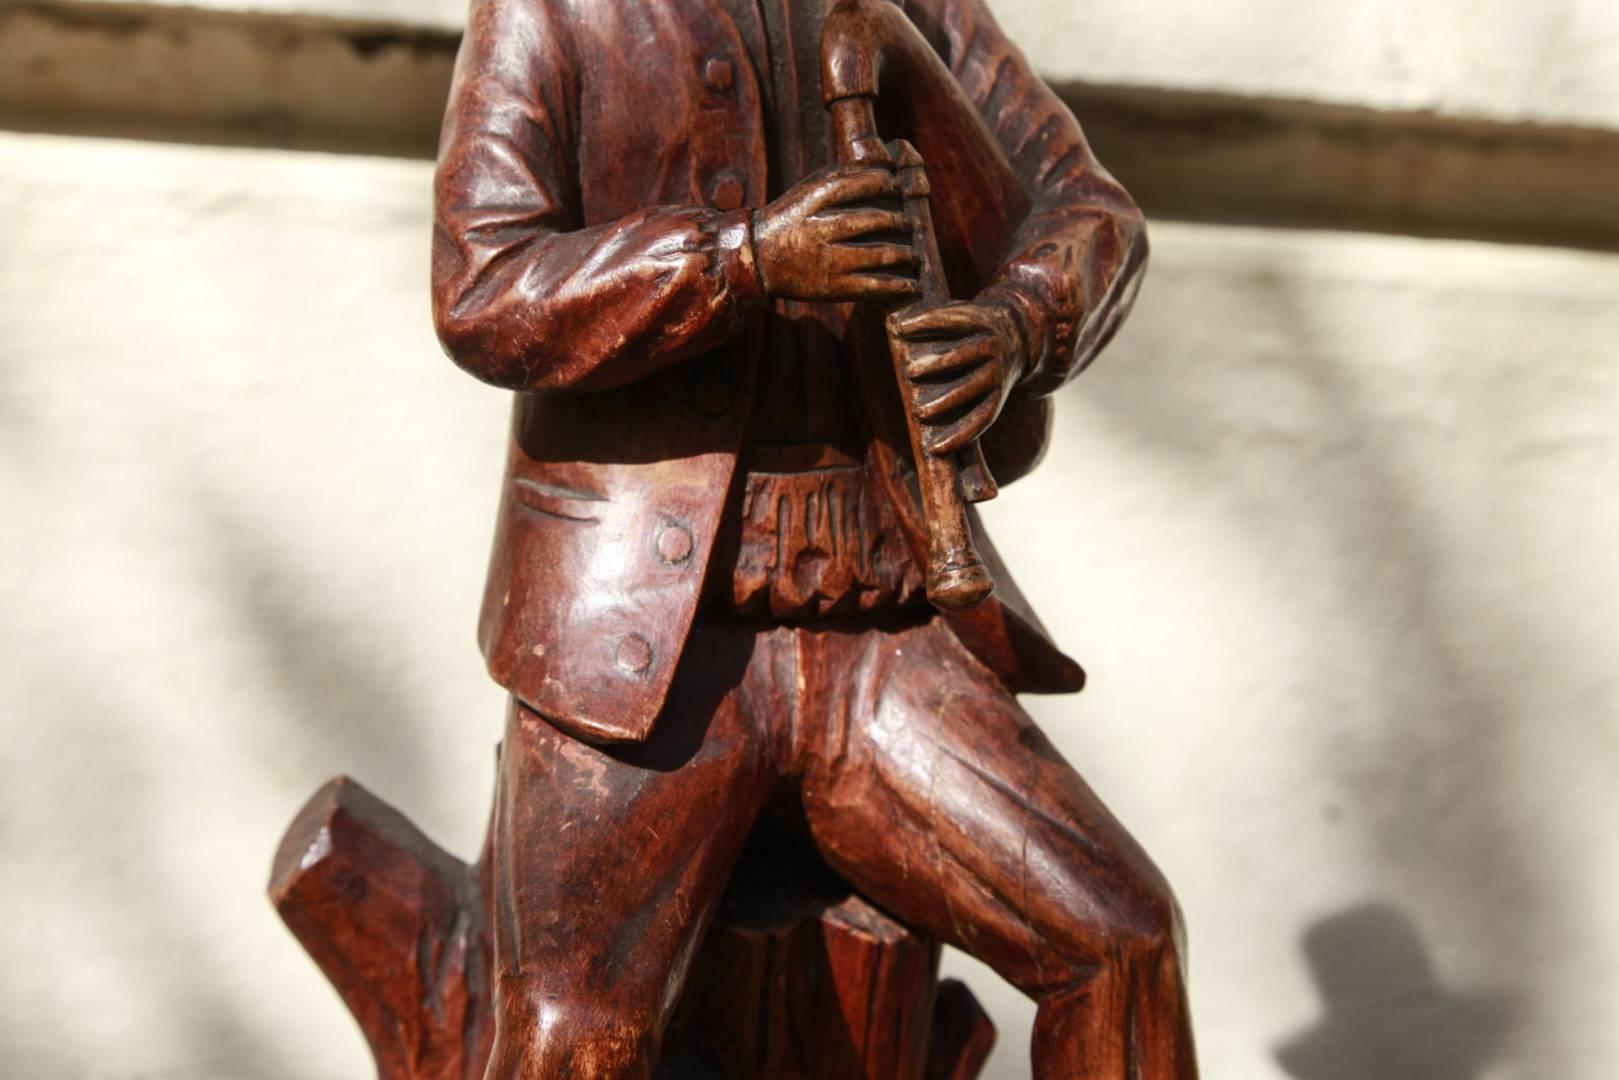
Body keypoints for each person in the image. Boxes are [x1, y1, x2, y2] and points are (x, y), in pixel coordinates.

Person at [431, 0, 1196, 1075]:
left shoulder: (919, 8)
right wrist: (741, 260)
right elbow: (482, 288)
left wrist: (1018, 323)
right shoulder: (553, 12)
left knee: (1120, 942)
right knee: (572, 1038)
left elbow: (1089, 210)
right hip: (635, 649)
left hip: (878, 629)